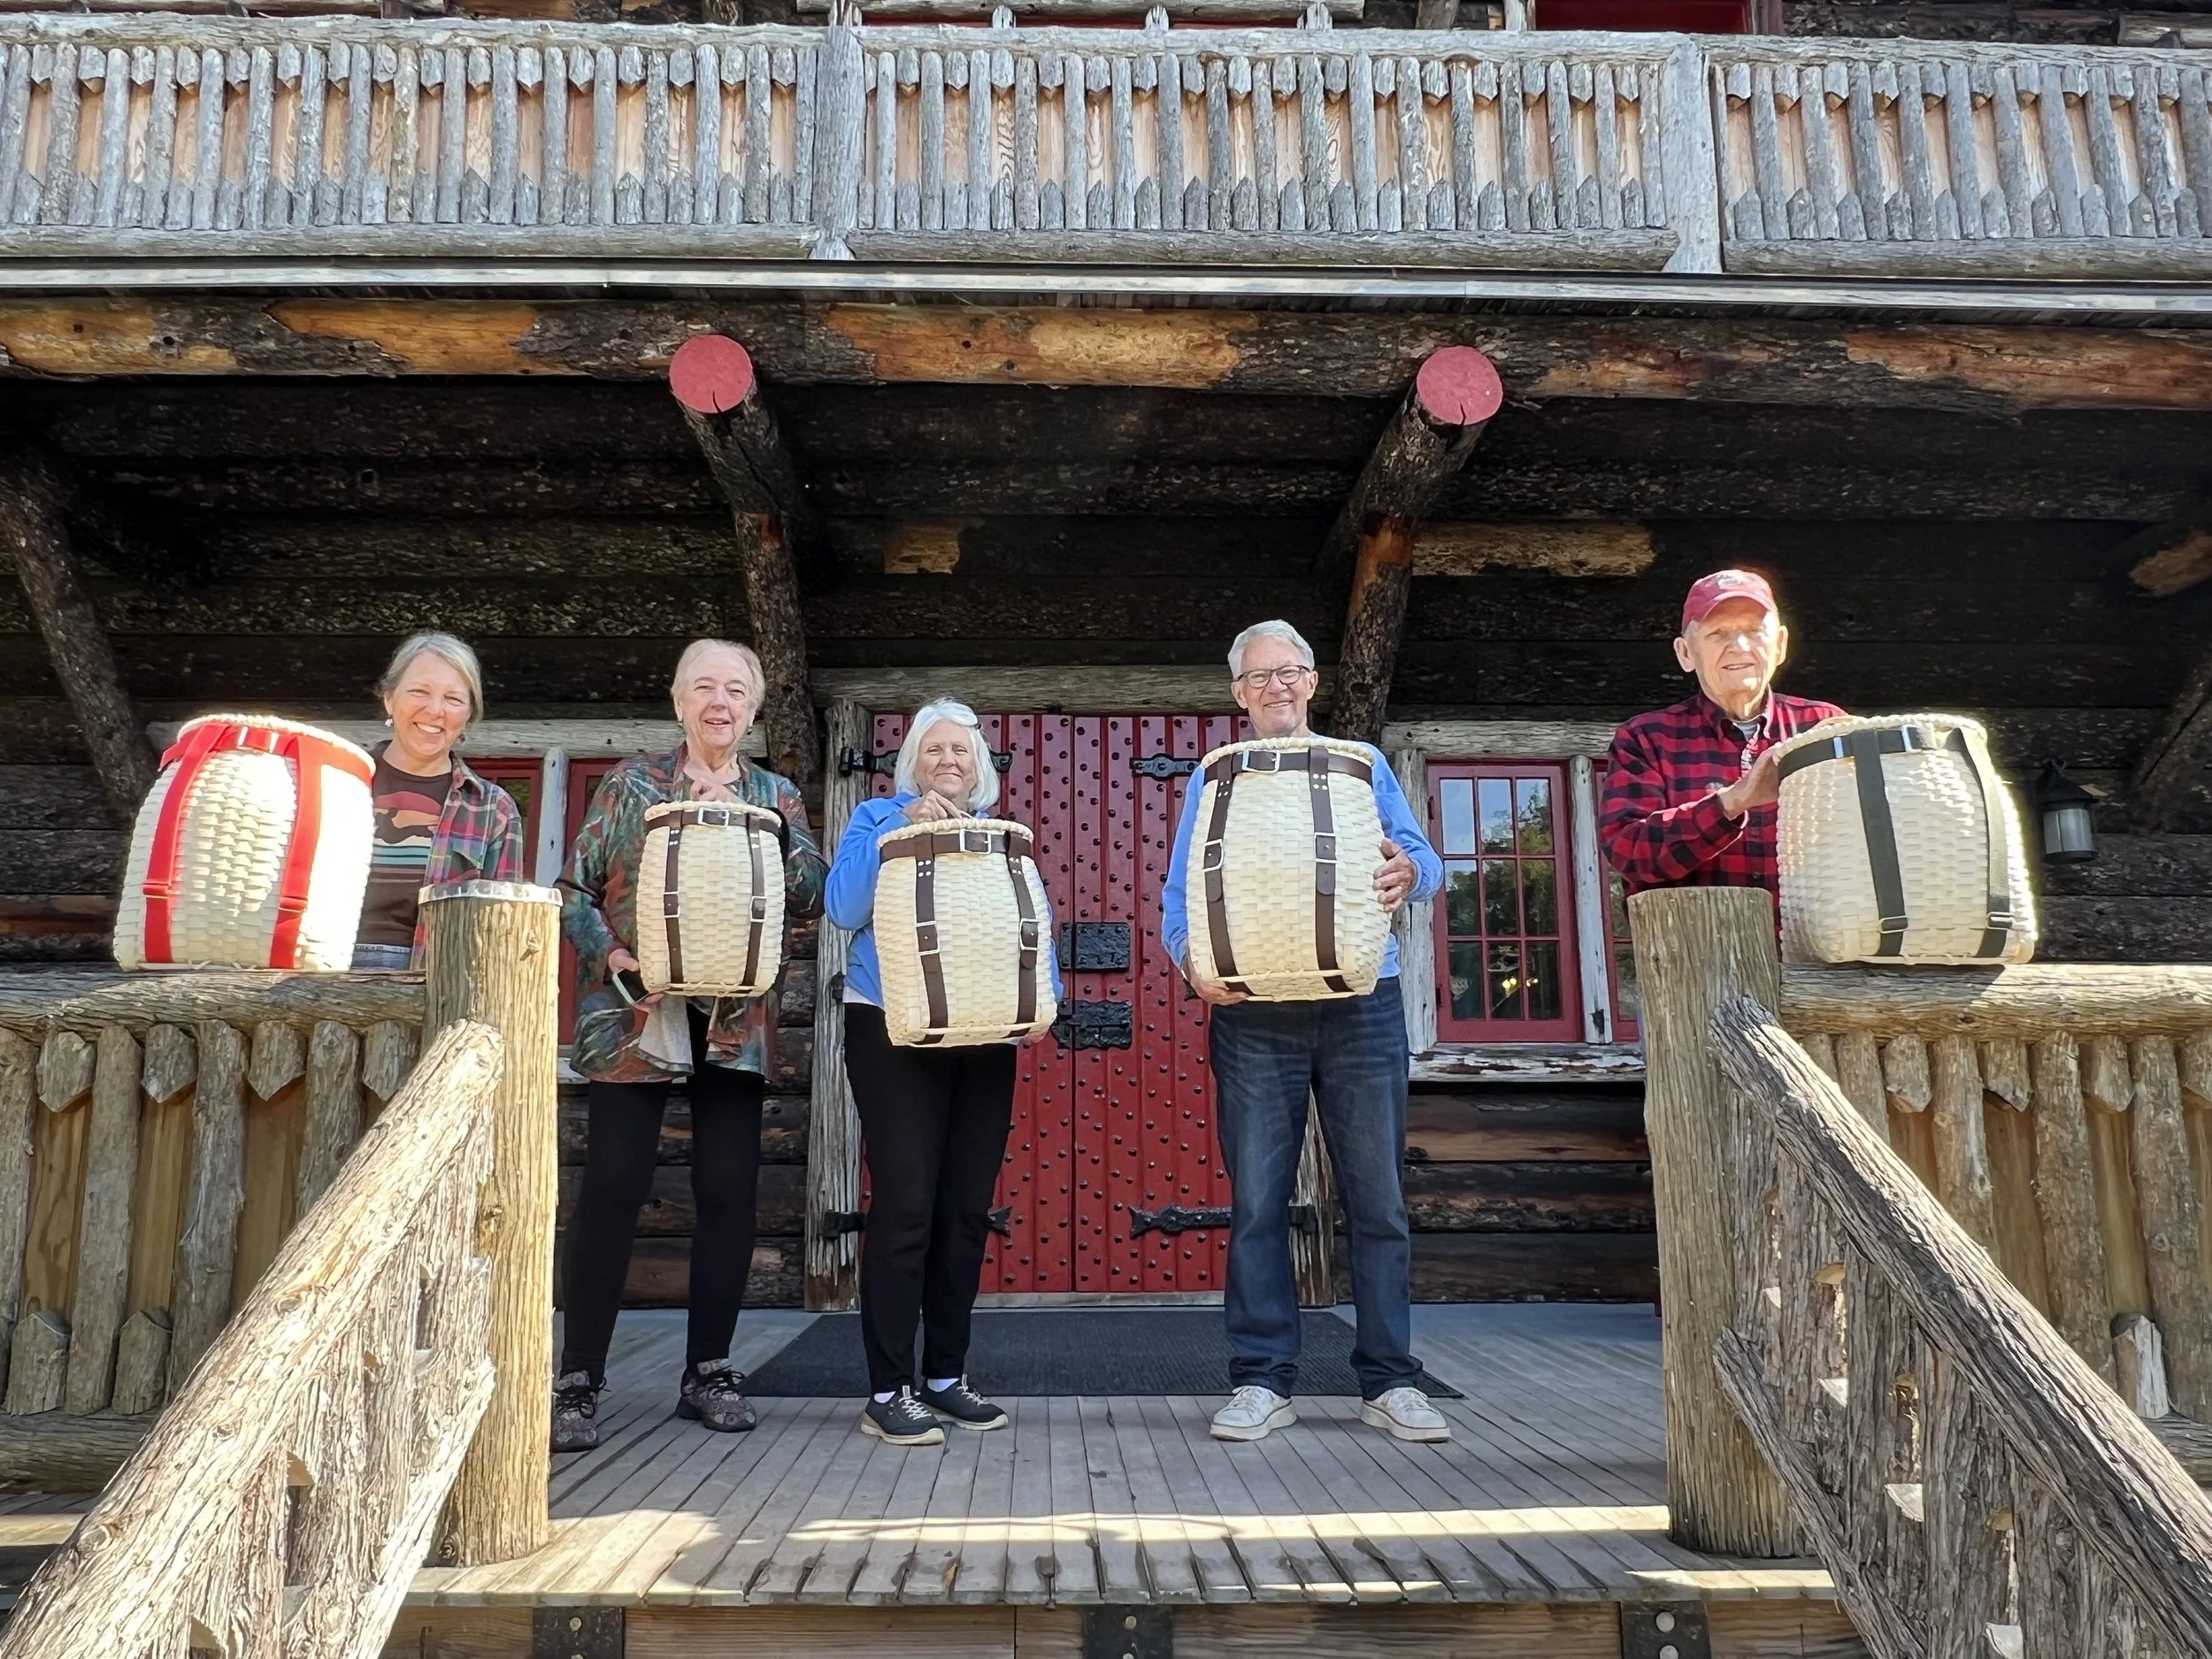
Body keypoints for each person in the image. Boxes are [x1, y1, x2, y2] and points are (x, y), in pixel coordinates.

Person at [1161, 619, 1450, 1445]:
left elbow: (1423, 859)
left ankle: (1391, 1381)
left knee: (1378, 1198)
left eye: (1288, 672)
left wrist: (1409, 871)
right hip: (1252, 1011)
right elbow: (1181, 893)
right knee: (1257, 1201)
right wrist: (1192, 966)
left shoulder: (1361, 765)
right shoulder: (1216, 780)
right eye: (1258, 678)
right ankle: (1261, 1379)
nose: (1276, 687)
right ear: (1238, 694)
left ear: (1313, 681)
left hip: (1364, 1001)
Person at [552, 639, 826, 1453]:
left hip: (732, 1020)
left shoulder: (776, 794)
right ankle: (579, 1379)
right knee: (613, 1186)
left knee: (727, 1191)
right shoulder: (631, 784)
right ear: (678, 703)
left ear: (751, 707)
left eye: (735, 690)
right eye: (703, 687)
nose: (719, 701)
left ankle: (709, 1370)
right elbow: (572, 889)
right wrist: (613, 954)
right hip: (637, 1012)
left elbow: (809, 890)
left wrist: (772, 825)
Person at [824, 701, 1062, 1447]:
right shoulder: (874, 816)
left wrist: (1041, 1000)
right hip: (889, 1024)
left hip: (985, 1029)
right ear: (911, 764)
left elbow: (1031, 927)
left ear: (980, 768)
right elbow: (842, 906)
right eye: (934, 750)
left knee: (964, 1208)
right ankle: (887, 1388)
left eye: (961, 750)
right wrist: (903, 830)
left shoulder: (1000, 839)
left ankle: (945, 1377)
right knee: (905, 1203)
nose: (948, 760)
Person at [1601, 570, 1847, 906]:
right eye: (1718, 633)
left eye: (1753, 631)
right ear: (1686, 653)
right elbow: (1628, 851)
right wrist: (1731, 802)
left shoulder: (1825, 726)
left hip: (1816, 952)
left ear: (1780, 645)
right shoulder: (1646, 739)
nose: (1740, 646)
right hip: (1699, 953)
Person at [352, 631, 526, 972]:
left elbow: (501, 929)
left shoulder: (494, 810)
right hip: (319, 974)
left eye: (453, 699)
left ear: (468, 716)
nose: (435, 710)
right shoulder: (338, 780)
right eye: (419, 692)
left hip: (437, 981)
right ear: (390, 699)